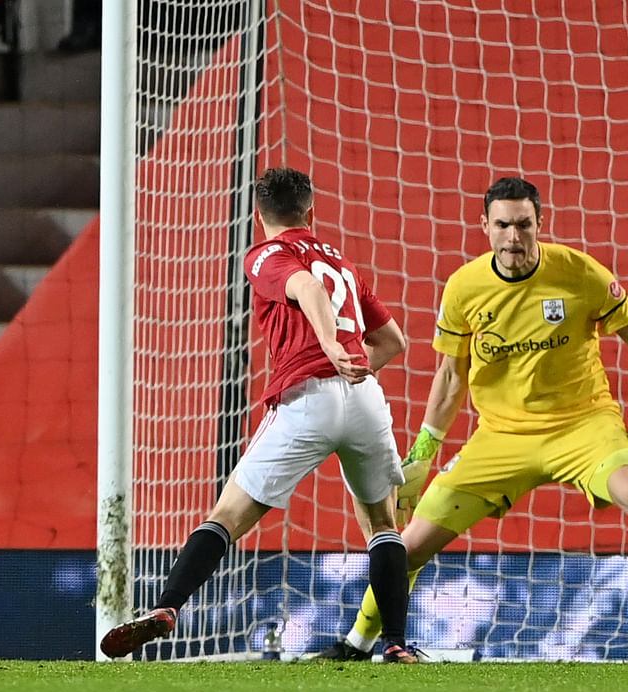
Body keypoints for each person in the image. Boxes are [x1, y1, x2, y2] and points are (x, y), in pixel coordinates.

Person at [314, 176, 628, 663]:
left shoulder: (579, 273)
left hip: (585, 427)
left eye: (524, 224)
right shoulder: (464, 288)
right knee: (410, 544)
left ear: (539, 224)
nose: (513, 237)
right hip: (501, 438)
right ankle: (356, 643)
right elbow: (450, 377)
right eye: (503, 225)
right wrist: (423, 453)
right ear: (484, 225)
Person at [100, 167, 419, 663]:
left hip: (307, 396)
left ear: (258, 214)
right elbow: (394, 341)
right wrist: (351, 366)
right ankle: (396, 643)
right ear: (311, 211)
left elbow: (307, 290)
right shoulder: (345, 264)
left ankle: (167, 608)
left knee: (226, 516)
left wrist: (330, 348)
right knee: (383, 525)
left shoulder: (267, 254)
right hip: (363, 400)